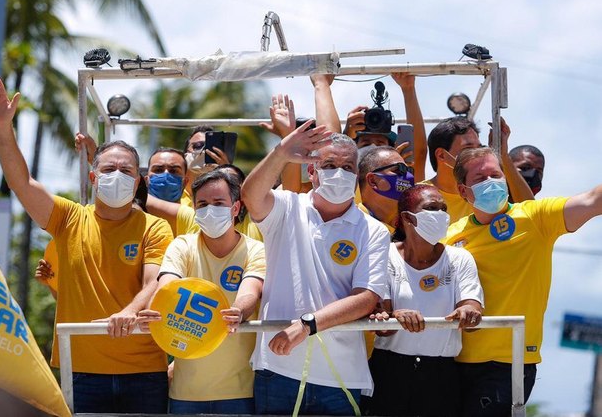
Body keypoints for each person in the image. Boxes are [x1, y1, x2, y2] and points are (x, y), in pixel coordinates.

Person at [0, 77, 173, 414]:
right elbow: (21, 183)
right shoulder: (68, 218)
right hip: (80, 369)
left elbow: (155, 282)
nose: (117, 175)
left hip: (144, 371)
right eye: (109, 168)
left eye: (126, 171)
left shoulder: (154, 227)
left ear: (138, 181)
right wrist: (2, 127)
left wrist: (128, 312)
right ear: (93, 177)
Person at [242, 125, 390, 415]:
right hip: (278, 368)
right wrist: (281, 153)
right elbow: (250, 196)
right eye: (330, 165)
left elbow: (366, 297)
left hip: (340, 375)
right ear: (311, 171)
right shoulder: (286, 207)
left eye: (348, 166)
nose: (340, 173)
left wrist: (307, 325)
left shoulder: (372, 230)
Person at [445, 146, 602, 416]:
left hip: (510, 363)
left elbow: (593, 201)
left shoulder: (536, 216)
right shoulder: (449, 235)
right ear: (462, 192)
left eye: (496, 175)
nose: (491, 183)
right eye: (480, 179)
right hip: (452, 361)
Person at [137, 169, 265, 414]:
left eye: (219, 203)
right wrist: (156, 307)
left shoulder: (255, 249)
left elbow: (251, 291)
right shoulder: (182, 245)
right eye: (203, 204)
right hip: (185, 393)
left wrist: (239, 310)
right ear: (194, 210)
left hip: (240, 392)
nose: (210, 209)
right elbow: (167, 286)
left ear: (236, 208)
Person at [365, 184, 483, 417]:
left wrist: (468, 313)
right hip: (389, 371)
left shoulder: (460, 258)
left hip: (441, 374)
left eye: (443, 208)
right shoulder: (384, 254)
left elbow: (472, 306)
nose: (440, 214)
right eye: (431, 208)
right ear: (408, 218)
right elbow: (383, 325)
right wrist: (395, 317)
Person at [343, 73, 428, 182]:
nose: (372, 147)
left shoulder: (402, 181)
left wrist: (408, 89)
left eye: (380, 144)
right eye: (365, 143)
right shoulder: (344, 182)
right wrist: (346, 137)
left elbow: (419, 154)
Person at [357, 145, 415, 233]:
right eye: (399, 169)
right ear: (373, 181)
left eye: (409, 170)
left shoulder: (414, 231)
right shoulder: (347, 226)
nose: (408, 177)